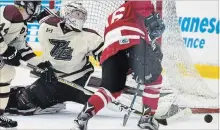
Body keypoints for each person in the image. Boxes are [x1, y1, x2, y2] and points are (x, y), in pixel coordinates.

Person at [72, 1, 165, 130]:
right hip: (133, 42)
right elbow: (151, 23)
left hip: (110, 50)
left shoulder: (113, 15)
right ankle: (147, 119)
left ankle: (82, 118)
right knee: (154, 80)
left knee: (110, 89)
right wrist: (150, 46)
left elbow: (120, 42)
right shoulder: (138, 2)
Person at [5, 1, 104, 116]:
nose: (79, 18)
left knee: (103, 100)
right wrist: (40, 66)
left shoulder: (90, 37)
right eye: (76, 14)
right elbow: (36, 15)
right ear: (66, 14)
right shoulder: (47, 27)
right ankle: (15, 92)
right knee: (24, 102)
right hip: (53, 81)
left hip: (82, 80)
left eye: (82, 16)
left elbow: (106, 57)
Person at [0, 0, 41, 127]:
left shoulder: (22, 26)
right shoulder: (10, 11)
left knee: (7, 72)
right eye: (36, 6)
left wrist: (41, 66)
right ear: (28, 5)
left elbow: (22, 48)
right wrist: (5, 50)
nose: (37, 10)